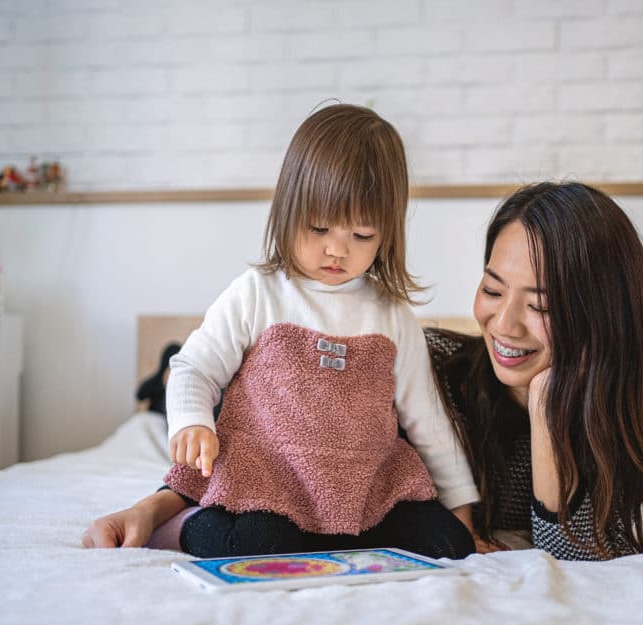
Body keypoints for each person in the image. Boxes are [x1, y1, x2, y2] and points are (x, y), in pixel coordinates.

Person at [82, 104, 478, 560]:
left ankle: (333, 534)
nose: (336, 249)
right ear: (289, 210)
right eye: (319, 227)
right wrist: (192, 420)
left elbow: (428, 422)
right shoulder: (257, 294)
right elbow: (194, 367)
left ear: (387, 234)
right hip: (270, 482)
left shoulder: (392, 316)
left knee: (450, 544)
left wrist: (462, 510)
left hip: (363, 491)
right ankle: (186, 522)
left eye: (362, 235)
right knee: (259, 544)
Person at [426, 181, 643, 560]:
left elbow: (576, 557)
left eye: (542, 307)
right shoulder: (434, 370)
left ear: (599, 316)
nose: (504, 324)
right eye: (493, 291)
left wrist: (548, 411)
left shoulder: (617, 405)